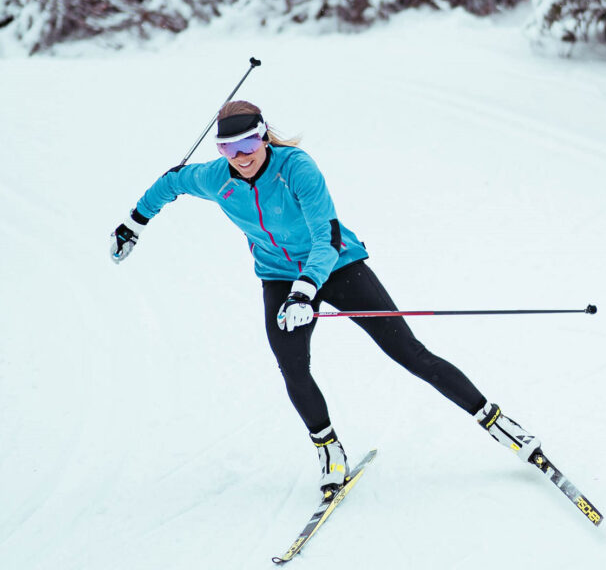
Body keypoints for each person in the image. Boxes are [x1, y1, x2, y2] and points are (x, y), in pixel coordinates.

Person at [110, 101, 541, 497]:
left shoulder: (296, 168)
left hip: (337, 267)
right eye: (229, 147)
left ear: (264, 136)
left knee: (409, 353)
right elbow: (170, 183)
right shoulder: (215, 178)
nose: (242, 155)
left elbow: (326, 238)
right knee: (293, 367)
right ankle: (329, 450)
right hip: (278, 277)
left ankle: (499, 423)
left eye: (249, 142)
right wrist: (133, 224)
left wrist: (306, 290)